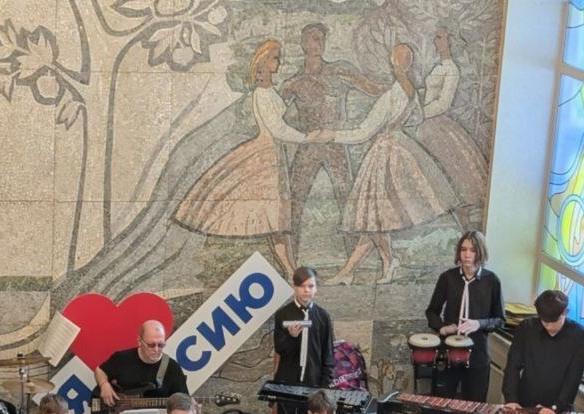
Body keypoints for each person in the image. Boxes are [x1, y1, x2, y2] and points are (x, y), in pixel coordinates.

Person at [174, 38, 329, 277]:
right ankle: (291, 271)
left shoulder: (269, 91)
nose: (279, 62)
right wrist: (308, 138)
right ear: (264, 61)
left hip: (274, 155)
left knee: (279, 223)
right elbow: (277, 129)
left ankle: (291, 271)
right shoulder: (262, 94)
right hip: (266, 158)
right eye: (275, 58)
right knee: (277, 222)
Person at [325, 44, 458, 286]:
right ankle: (355, 270)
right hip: (401, 149)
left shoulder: (391, 96)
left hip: (384, 155)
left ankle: (380, 263)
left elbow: (362, 132)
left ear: (393, 62)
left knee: (374, 218)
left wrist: (331, 135)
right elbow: (416, 118)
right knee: (374, 219)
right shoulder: (411, 94)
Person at [279, 24, 382, 249]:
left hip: (335, 145)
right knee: (295, 201)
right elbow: (274, 114)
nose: (320, 43)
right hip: (308, 147)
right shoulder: (294, 83)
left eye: (322, 39)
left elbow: (372, 88)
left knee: (347, 200)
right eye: (314, 38)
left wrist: (402, 85)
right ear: (304, 43)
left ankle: (353, 257)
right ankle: (290, 256)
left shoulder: (338, 70)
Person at [423, 231, 504, 414]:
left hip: (477, 354)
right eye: (463, 250)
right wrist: (442, 327)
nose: (467, 255)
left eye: (472, 250)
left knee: (475, 407)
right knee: (444, 403)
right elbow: (432, 311)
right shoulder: (448, 278)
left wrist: (479, 324)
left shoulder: (491, 281)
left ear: (480, 253)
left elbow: (500, 319)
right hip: (450, 351)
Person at [416, 25, 488, 229]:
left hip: (438, 127)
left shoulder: (451, 70)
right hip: (427, 125)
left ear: (449, 41)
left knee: (453, 180)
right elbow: (429, 93)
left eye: (439, 37)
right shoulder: (439, 67)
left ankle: (466, 227)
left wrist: (419, 113)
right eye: (436, 37)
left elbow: (443, 103)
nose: (435, 41)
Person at [271, 266, 335, 414]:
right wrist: (291, 336)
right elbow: (280, 349)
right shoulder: (283, 314)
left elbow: (328, 354)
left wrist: (324, 388)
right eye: (302, 286)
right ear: (294, 287)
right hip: (287, 383)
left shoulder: (323, 316)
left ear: (316, 288)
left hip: (313, 385)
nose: (306, 290)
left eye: (310, 286)